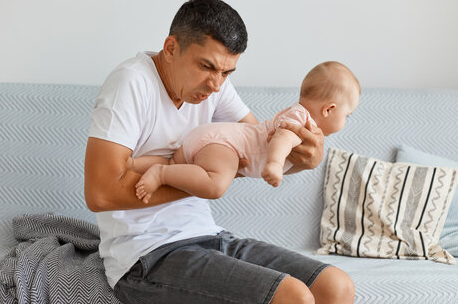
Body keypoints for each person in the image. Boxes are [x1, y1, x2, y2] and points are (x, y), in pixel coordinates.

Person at [84, 0, 355, 304]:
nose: (215, 85)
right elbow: (101, 193)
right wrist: (207, 182)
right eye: (207, 66)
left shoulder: (215, 87)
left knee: (335, 288)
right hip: (144, 256)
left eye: (227, 72)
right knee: (293, 300)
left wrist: (307, 158)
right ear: (171, 48)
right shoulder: (130, 84)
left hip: (206, 235)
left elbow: (253, 151)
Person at [127, 61, 360, 205]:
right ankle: (160, 174)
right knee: (216, 184)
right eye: (347, 115)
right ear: (330, 109)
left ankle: (134, 164)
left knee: (173, 162)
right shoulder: (301, 121)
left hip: (211, 139)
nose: (346, 121)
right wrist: (275, 164)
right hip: (224, 145)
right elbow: (283, 138)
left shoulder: (294, 113)